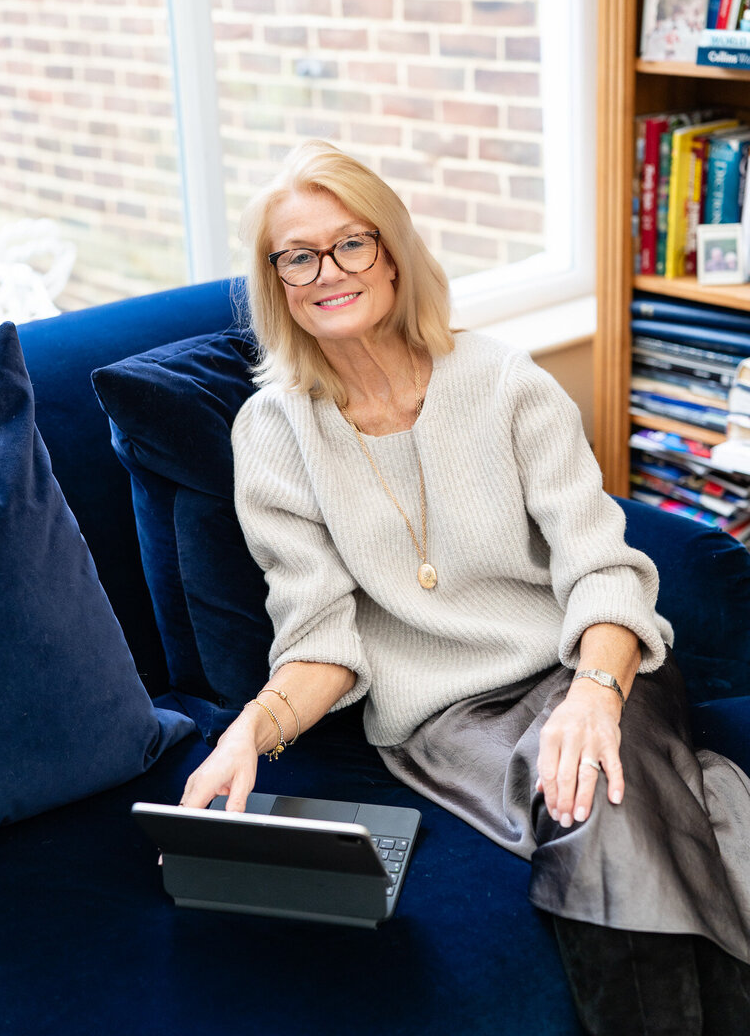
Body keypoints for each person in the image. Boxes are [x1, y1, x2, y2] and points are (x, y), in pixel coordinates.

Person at [182, 141, 750, 1034]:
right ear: (275, 281)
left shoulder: (504, 383)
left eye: (351, 243)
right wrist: (250, 732)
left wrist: (595, 695)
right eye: (297, 255)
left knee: (591, 795)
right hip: (448, 724)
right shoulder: (271, 433)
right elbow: (320, 638)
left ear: (394, 250)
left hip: (590, 667)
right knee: (628, 809)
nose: (327, 271)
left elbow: (605, 571)